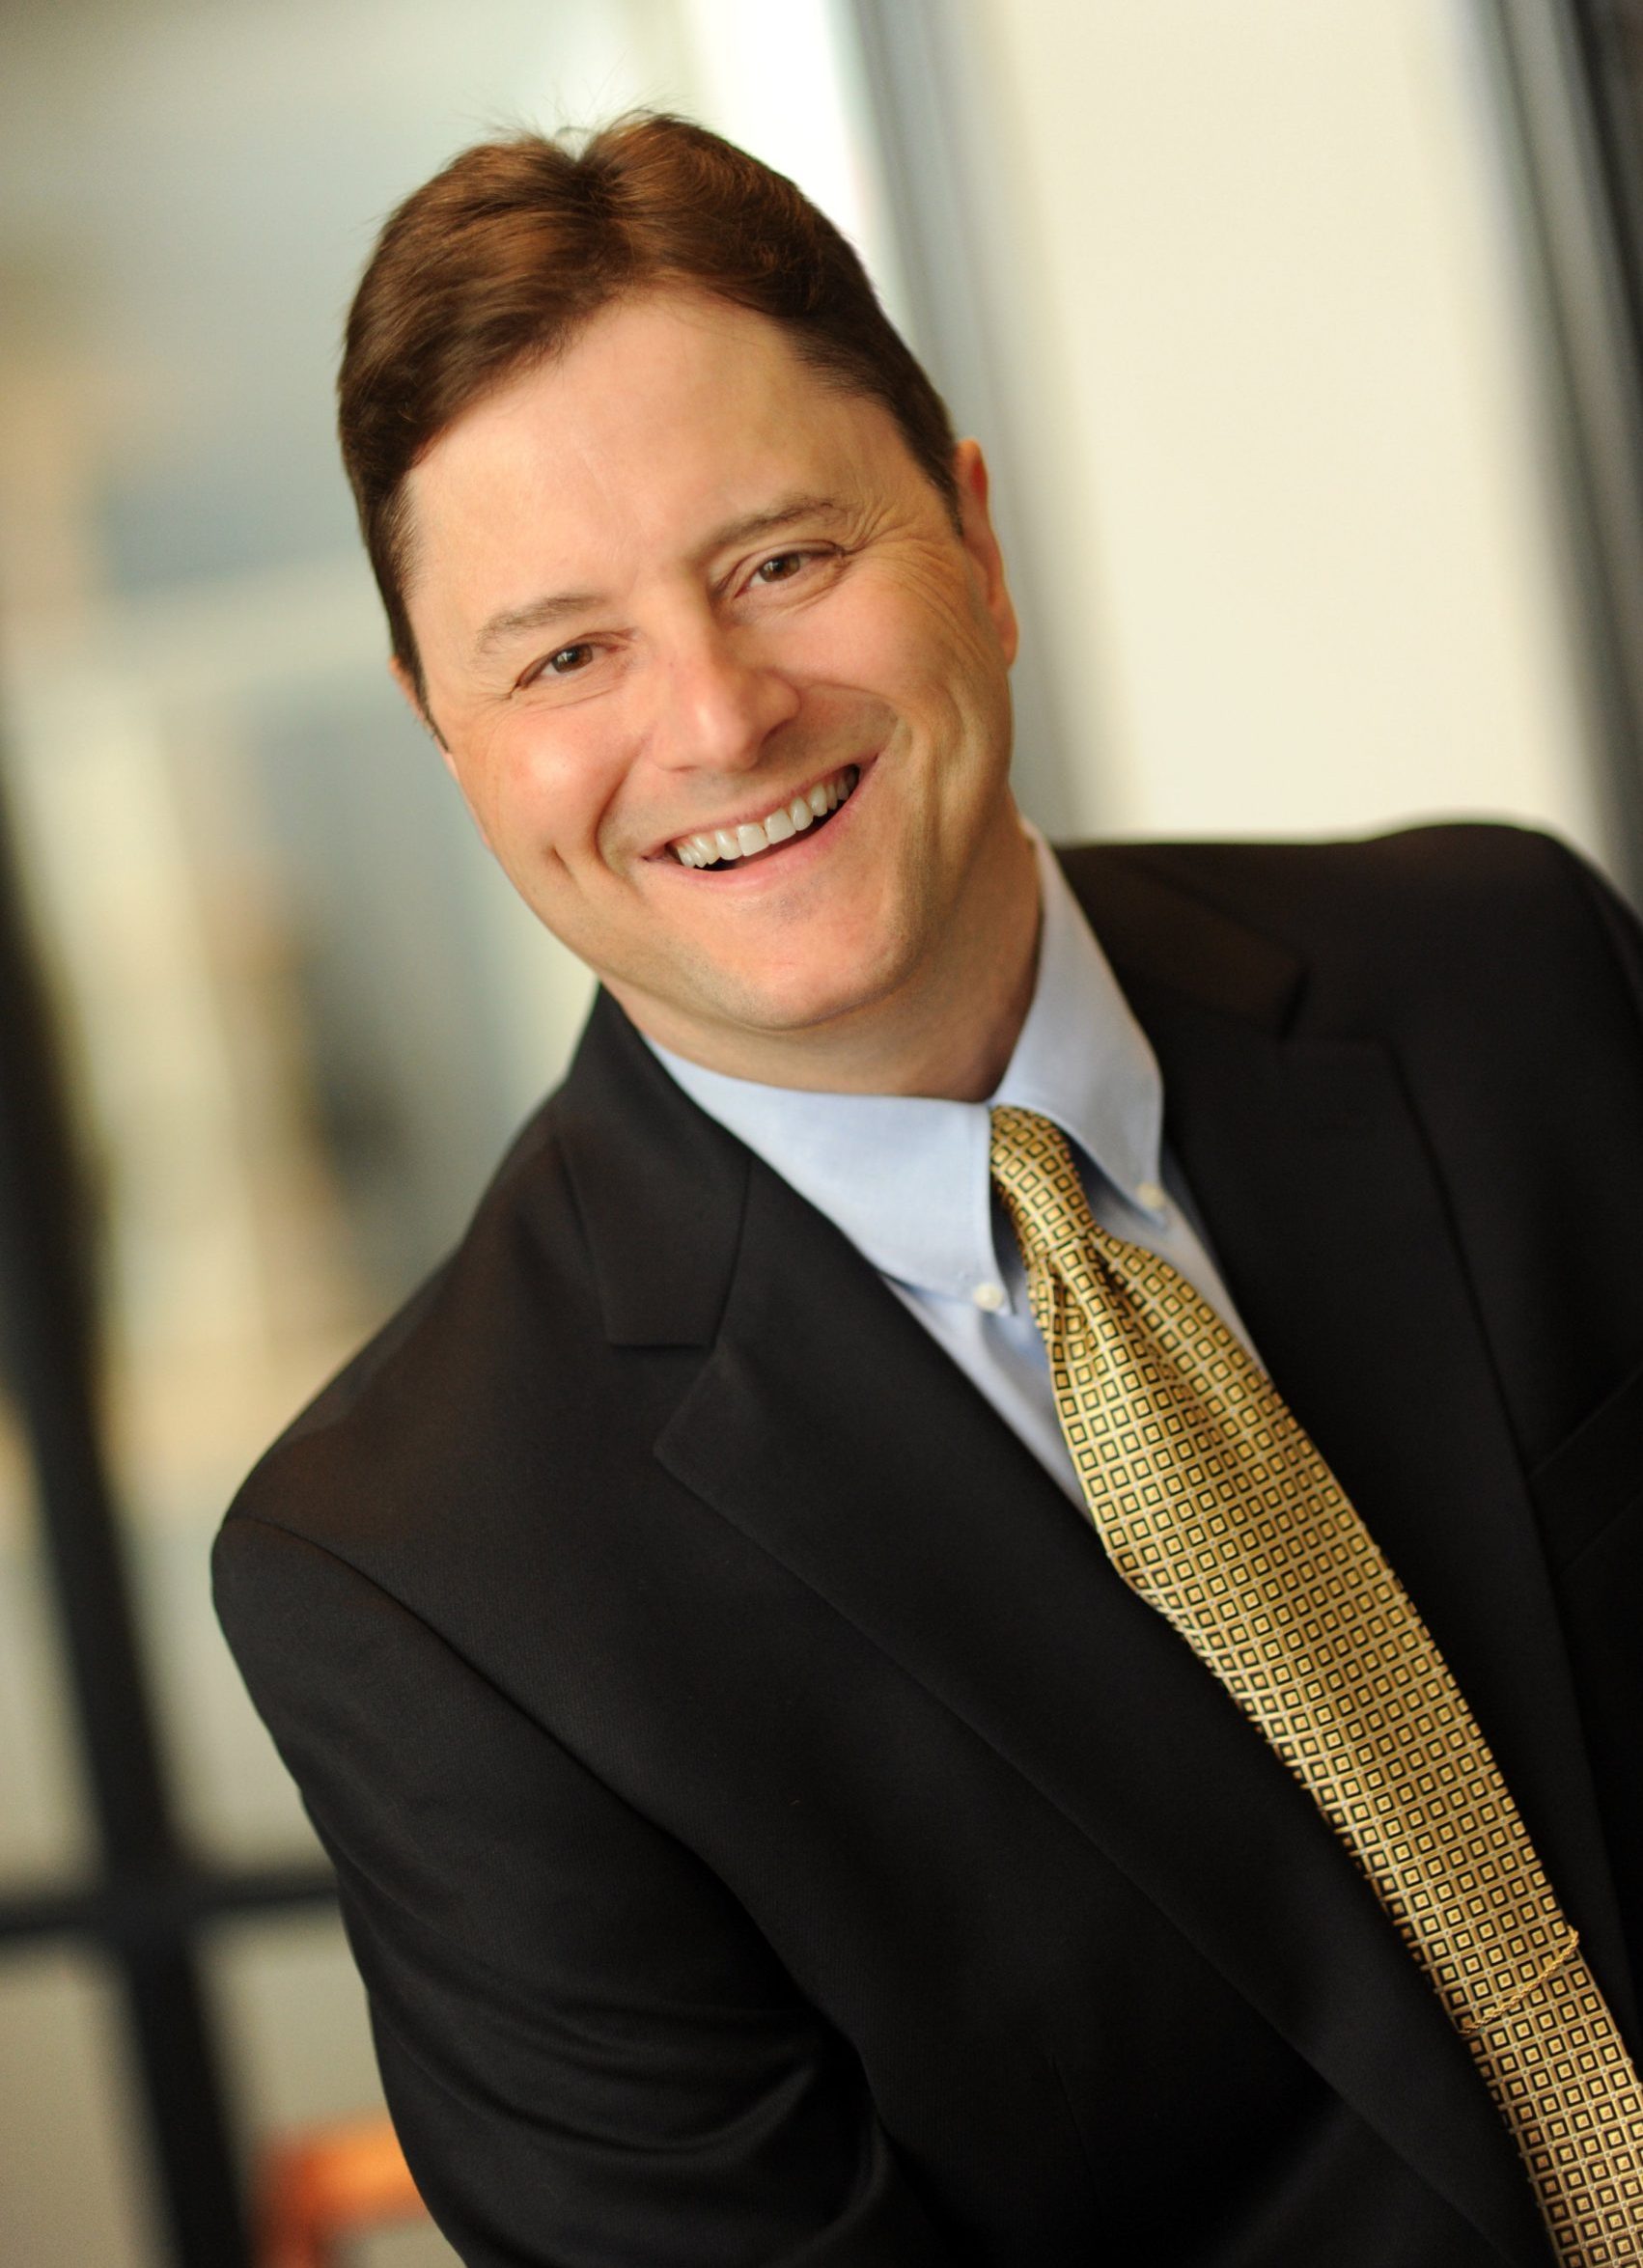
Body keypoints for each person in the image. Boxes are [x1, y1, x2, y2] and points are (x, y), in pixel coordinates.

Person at [214, 113, 1643, 2266]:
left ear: (970, 537)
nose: (714, 714)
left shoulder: (1507, 974)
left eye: (781, 557)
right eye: (562, 653)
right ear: (449, 735)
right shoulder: (424, 1573)